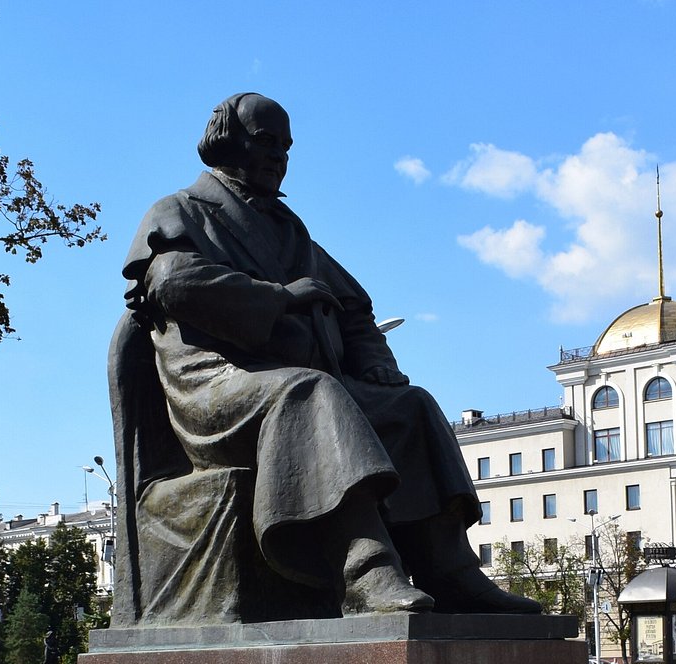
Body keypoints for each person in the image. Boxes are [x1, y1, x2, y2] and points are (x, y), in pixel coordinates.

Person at [116, 92, 539, 621]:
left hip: (285, 384)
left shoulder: (289, 229)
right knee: (309, 391)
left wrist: (374, 359)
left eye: (286, 148)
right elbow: (174, 282)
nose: (279, 157)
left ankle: (448, 567)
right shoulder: (179, 210)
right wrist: (281, 298)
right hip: (216, 389)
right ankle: (365, 572)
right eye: (266, 142)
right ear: (228, 141)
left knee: (411, 407)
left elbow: (353, 306)